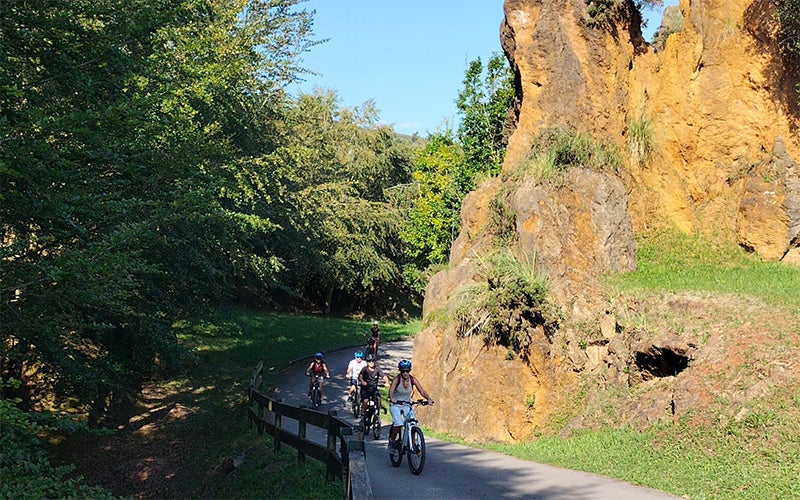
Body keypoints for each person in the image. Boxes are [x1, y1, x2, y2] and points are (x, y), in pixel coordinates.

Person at [388, 359, 434, 449]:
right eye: (403, 371)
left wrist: (428, 398)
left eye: (407, 371)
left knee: (413, 422)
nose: (405, 373)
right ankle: (392, 441)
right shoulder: (397, 379)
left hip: (406, 404)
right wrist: (392, 398)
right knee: (398, 423)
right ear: (400, 371)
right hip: (396, 405)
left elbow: (422, 390)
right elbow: (391, 391)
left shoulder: (413, 379)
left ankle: (412, 444)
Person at [358, 353, 389, 418]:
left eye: (372, 361)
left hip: (374, 388)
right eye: (369, 361)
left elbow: (384, 376)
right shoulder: (364, 369)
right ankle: (363, 413)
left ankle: (377, 413)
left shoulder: (377, 369)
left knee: (378, 398)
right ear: (367, 362)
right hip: (365, 389)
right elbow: (360, 376)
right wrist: (363, 381)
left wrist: (386, 382)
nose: (371, 363)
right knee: (365, 401)